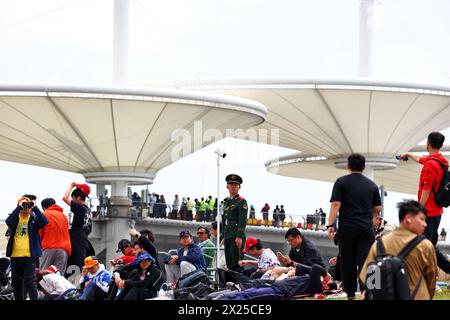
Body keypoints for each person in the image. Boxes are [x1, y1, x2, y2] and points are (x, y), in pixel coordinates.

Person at [327, 153, 382, 300]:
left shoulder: (341, 182)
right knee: (367, 261)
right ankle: (367, 292)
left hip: (347, 228)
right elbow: (377, 207)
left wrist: (330, 224)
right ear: (364, 167)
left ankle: (350, 295)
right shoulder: (372, 185)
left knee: (347, 261)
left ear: (348, 166)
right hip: (366, 229)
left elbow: (335, 204)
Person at [360, 200, 438, 300]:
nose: (425, 224)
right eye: (422, 219)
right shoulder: (425, 245)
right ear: (408, 219)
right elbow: (431, 280)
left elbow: (366, 277)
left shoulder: (378, 244)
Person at [400, 132, 450, 273]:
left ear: (428, 144)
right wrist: (409, 154)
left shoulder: (430, 166)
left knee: (425, 245)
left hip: (428, 211)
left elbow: (426, 190)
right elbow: (422, 159)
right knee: (428, 244)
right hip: (437, 210)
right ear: (440, 145)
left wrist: (418, 210)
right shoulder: (440, 160)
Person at [6, 195, 48, 300]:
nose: (25, 208)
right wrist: (19, 207)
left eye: (27, 205)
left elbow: (44, 222)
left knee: (30, 282)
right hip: (15, 255)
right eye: (23, 205)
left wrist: (35, 207)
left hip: (30, 255)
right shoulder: (15, 218)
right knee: (16, 283)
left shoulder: (33, 218)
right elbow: (8, 222)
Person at [215, 264, 331, 300]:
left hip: (279, 291)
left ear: (327, 287)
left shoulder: (317, 287)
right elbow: (302, 268)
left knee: (246, 296)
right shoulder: (310, 279)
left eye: (327, 282)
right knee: (243, 293)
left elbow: (316, 268)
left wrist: (325, 276)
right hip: (274, 286)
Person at [63, 182, 94, 276]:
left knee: (73, 267)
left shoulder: (80, 208)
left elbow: (64, 198)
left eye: (73, 198)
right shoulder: (87, 210)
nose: (72, 201)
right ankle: (79, 287)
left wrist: (71, 185)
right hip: (83, 240)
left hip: (77, 241)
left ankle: (75, 288)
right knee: (79, 265)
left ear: (78, 197)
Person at [39, 198, 71, 274]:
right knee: (59, 276)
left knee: (44, 275)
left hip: (48, 248)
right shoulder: (63, 216)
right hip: (63, 249)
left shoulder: (44, 215)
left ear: (43, 208)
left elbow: (39, 234)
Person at [223, 174, 248, 271]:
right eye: (231, 184)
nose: (233, 187)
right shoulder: (226, 201)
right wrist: (223, 236)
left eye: (235, 185)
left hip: (236, 235)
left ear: (239, 187)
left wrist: (239, 236)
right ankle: (230, 285)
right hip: (228, 234)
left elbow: (242, 220)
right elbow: (224, 220)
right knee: (229, 262)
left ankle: (238, 284)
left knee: (237, 263)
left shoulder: (242, 201)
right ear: (227, 186)